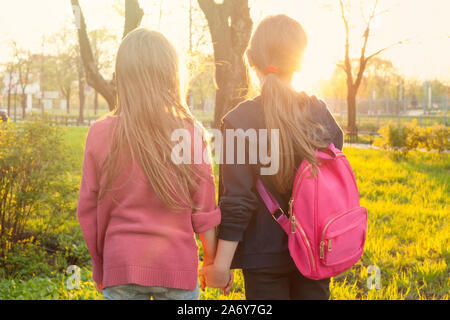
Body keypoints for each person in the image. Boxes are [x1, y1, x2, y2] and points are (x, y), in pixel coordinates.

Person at [201, 14, 344, 300]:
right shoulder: (321, 115)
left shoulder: (238, 122)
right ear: (301, 61)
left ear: (250, 58)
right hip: (315, 251)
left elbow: (237, 201)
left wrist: (220, 265)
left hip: (262, 257)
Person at [77, 28, 221, 300]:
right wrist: (213, 261)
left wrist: (100, 267)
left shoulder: (99, 133)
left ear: (123, 77)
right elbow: (204, 211)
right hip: (177, 268)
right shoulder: (189, 134)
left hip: (120, 267)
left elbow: (88, 212)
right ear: (171, 75)